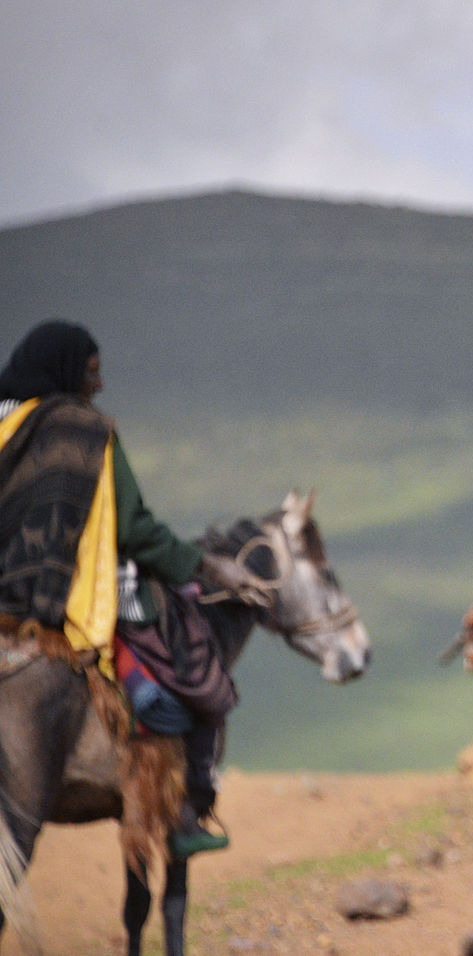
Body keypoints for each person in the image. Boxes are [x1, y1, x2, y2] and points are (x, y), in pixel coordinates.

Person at [0, 319, 263, 859]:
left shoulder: (4, 424)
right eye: (90, 372)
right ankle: (179, 809)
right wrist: (209, 569)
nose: (98, 385)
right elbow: (136, 530)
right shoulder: (88, 430)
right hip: (68, 602)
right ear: (66, 371)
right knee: (178, 681)